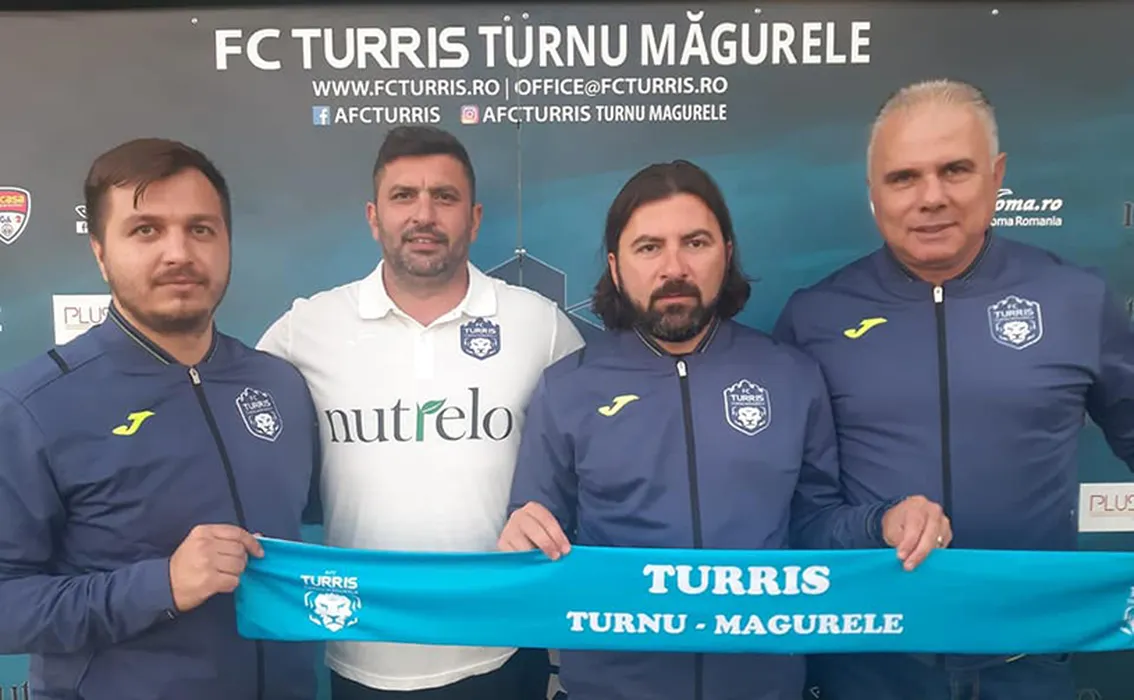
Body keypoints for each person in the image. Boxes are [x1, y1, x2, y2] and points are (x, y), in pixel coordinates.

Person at [498, 159, 951, 700]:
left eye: (695, 243)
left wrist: (884, 523)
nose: (674, 268)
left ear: (727, 253)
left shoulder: (791, 375)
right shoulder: (566, 389)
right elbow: (536, 538)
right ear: (616, 268)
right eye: (649, 247)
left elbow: (813, 525)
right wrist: (523, 538)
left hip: (764, 687)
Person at [772, 78, 1134, 699]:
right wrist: (877, 524)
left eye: (955, 170)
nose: (931, 197)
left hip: (1028, 666)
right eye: (904, 178)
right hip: (868, 667)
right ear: (873, 193)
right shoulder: (814, 319)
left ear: (997, 176)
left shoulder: (1075, 299)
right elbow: (795, 512)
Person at [256, 125, 584, 700]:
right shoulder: (307, 328)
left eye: (445, 197)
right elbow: (237, 442)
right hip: (363, 647)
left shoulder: (540, 325)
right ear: (373, 216)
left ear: (474, 219)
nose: (424, 214)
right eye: (403, 196)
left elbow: (591, 459)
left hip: (502, 646)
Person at [0, 138, 322, 699]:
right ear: (100, 251)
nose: (179, 252)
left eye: (201, 229)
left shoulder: (280, 384)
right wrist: (161, 585)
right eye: (146, 230)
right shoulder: (32, 405)